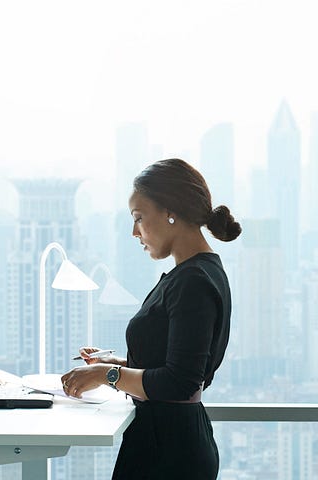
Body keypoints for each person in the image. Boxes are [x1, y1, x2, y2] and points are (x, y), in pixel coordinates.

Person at [60, 158, 239, 479]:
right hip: (163, 440)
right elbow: (173, 362)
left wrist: (109, 374)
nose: (134, 231)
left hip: (170, 452)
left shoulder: (194, 281)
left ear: (170, 212)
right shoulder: (193, 274)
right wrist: (116, 363)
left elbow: (180, 382)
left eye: (139, 218)